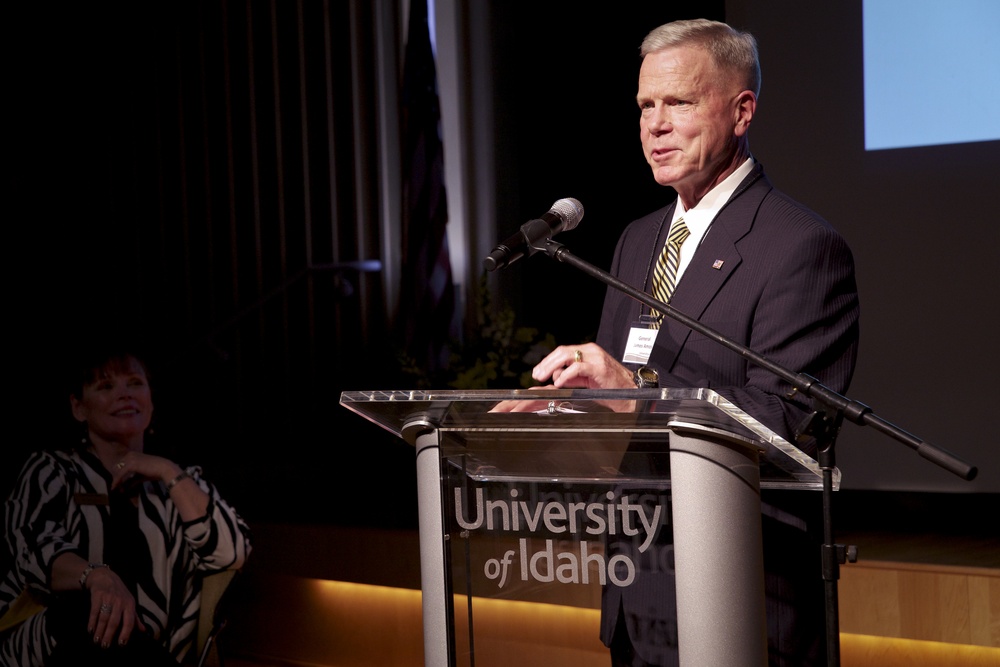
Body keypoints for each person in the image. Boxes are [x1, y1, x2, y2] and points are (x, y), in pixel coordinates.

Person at [502, 18, 860, 667]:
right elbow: (616, 404)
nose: (654, 125)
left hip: (740, 597)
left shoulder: (801, 248)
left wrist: (631, 391)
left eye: (679, 103)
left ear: (742, 110)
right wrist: (559, 414)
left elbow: (788, 424)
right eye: (644, 106)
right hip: (638, 594)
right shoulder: (638, 239)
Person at [0, 347, 252, 666]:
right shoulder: (53, 469)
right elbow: (28, 543)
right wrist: (96, 576)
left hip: (156, 649)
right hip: (56, 643)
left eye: (134, 383)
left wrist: (168, 471)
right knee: (89, 610)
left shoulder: (179, 482)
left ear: (151, 400)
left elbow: (233, 552)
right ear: (78, 408)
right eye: (106, 386)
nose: (124, 394)